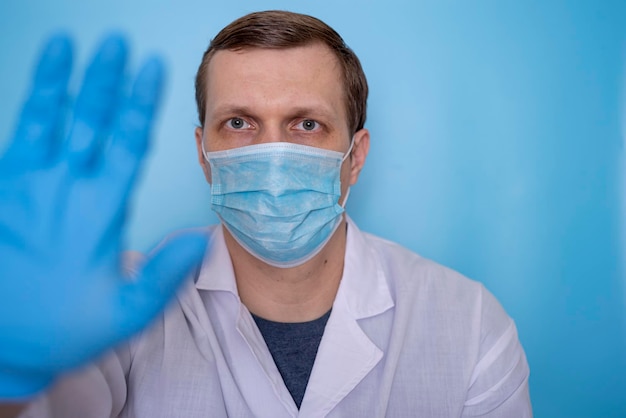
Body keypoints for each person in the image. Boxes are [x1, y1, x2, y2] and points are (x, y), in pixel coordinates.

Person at [0, 10, 532, 418]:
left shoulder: (469, 323)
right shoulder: (112, 305)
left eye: (306, 125)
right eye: (238, 123)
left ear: (357, 156)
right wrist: (13, 373)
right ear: (202, 153)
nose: (273, 154)